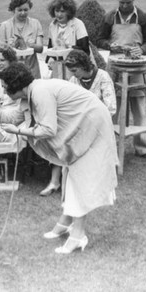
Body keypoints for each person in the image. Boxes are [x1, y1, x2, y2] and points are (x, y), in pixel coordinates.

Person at [0, 63, 118, 255]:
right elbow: (14, 117)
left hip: (92, 125)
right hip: (83, 124)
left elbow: (47, 129)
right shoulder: (31, 92)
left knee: (81, 179)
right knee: (69, 174)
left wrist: (19, 131)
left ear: (16, 85)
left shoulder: (40, 92)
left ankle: (78, 236)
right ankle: (65, 223)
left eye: (5, 86)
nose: (3, 90)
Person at [39, 49, 117, 197]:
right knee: (60, 139)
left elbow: (111, 108)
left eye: (75, 70)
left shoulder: (102, 77)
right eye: (71, 71)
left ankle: (80, 182)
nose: (73, 74)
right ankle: (54, 181)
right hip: (78, 123)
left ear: (84, 66)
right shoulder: (74, 80)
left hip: (98, 124)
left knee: (72, 141)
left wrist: (87, 119)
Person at [95, 0, 146, 160]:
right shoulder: (110, 17)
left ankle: (142, 147)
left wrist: (142, 50)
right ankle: (111, 145)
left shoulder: (143, 17)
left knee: (138, 107)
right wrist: (109, 45)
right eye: (121, 2)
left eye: (127, 2)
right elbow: (99, 39)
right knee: (113, 106)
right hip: (115, 66)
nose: (124, 6)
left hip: (136, 66)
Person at [0, 0, 44, 78]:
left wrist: (30, 45)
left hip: (32, 69)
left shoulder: (35, 23)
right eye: (19, 10)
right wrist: (11, 47)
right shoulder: (4, 26)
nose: (23, 13)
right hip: (11, 70)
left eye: (26, 10)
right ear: (13, 10)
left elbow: (40, 48)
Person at [46, 0, 90, 80]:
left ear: (69, 12)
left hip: (76, 68)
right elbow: (50, 47)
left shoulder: (78, 24)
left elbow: (85, 50)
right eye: (57, 11)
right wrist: (50, 60)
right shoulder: (52, 25)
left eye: (62, 11)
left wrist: (68, 48)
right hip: (58, 65)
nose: (59, 14)